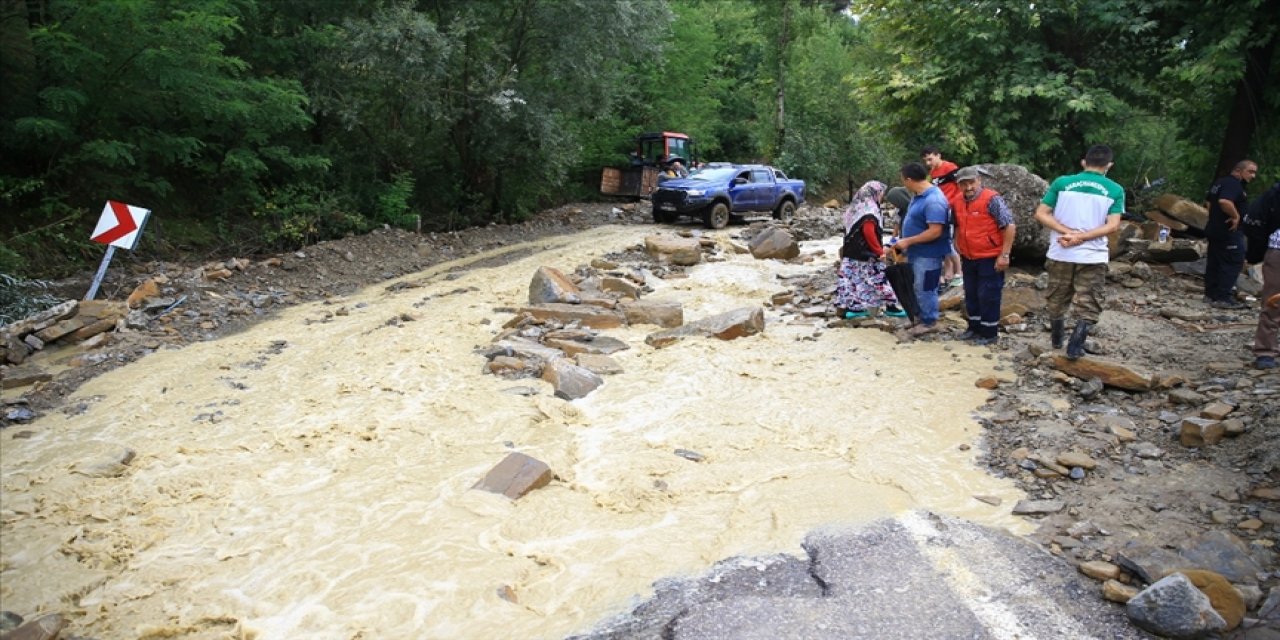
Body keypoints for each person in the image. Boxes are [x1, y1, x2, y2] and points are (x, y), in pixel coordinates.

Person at [1033, 144, 1125, 359]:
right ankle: (1074, 348)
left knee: (1056, 297)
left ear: (1084, 162)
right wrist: (1080, 237)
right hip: (1092, 255)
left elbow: (1041, 213)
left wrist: (1068, 233)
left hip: (1060, 251)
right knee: (1090, 300)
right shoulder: (1115, 189)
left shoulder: (1062, 183)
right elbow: (1113, 226)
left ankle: (1056, 341)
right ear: (1109, 165)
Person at [952, 166, 1016, 345]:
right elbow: (956, 224)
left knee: (989, 294)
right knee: (971, 293)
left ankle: (989, 332)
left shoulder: (992, 199)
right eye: (963, 184)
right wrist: (957, 242)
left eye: (971, 182)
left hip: (990, 256)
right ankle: (974, 328)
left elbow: (1009, 225)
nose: (968, 187)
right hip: (968, 256)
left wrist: (1005, 254)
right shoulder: (957, 201)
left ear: (979, 181)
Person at [891, 162, 953, 336]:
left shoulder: (934, 200)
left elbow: (935, 231)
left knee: (926, 287)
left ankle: (929, 321)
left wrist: (908, 241)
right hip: (916, 252)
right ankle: (920, 317)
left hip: (929, 254)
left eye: (903, 180)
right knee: (917, 285)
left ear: (909, 180)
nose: (903, 183)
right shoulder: (919, 196)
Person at [835, 181, 905, 319]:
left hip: (852, 252)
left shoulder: (858, 207)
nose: (882, 196)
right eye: (881, 193)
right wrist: (879, 252)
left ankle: (855, 309)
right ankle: (891, 307)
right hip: (867, 254)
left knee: (852, 281)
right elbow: (868, 232)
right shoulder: (870, 209)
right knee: (878, 279)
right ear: (875, 193)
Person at [1203, 160, 1259, 308]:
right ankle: (1223, 297)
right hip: (1229, 231)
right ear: (1239, 171)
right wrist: (1235, 216)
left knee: (1215, 261)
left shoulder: (1220, 182)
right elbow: (1224, 201)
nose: (1253, 176)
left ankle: (1211, 295)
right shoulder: (1233, 184)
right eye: (1250, 171)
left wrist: (1215, 217)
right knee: (1233, 261)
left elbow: (1209, 202)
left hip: (1215, 229)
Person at [922, 145, 964, 290]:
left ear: (938, 155)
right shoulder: (932, 172)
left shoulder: (950, 168)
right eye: (926, 161)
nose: (928, 163)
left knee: (948, 241)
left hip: (950, 207)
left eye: (930, 159)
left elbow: (959, 187)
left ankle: (959, 273)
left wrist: (954, 204)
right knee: (940, 241)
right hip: (939, 208)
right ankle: (948, 273)